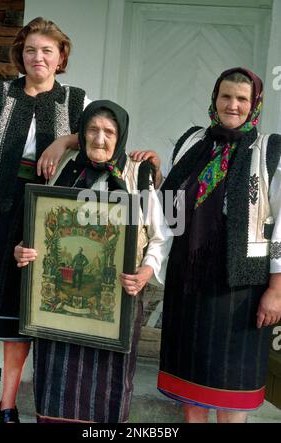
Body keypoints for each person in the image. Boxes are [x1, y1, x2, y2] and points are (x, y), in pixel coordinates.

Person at [131, 67, 281, 423]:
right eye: (225, 96)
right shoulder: (192, 140)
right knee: (191, 388)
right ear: (214, 99)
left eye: (242, 99)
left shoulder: (271, 150)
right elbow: (170, 206)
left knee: (230, 393)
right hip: (190, 281)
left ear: (254, 104)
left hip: (241, 288)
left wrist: (277, 288)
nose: (232, 105)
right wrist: (152, 173)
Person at [14, 100, 172, 423]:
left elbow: (162, 234)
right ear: (82, 134)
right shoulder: (62, 166)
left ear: (121, 136)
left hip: (117, 306)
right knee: (56, 387)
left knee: (106, 390)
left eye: (109, 132)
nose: (100, 138)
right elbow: (39, 223)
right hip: (56, 311)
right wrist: (24, 249)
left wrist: (145, 271)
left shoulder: (138, 174)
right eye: (93, 130)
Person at [0, 17, 90, 423]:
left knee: (21, 311)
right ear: (20, 55)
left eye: (47, 50)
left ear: (61, 57)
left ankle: (8, 404)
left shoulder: (76, 100)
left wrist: (64, 139)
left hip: (45, 217)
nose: (37, 57)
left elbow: (102, 132)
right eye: (30, 50)